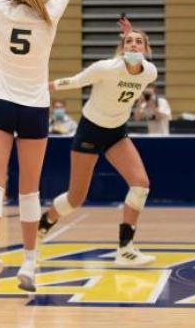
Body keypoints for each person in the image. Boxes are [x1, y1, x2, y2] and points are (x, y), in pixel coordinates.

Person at [0, 0, 85, 295]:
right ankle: (29, 265)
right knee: (29, 190)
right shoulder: (49, 16)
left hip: (1, 103)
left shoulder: (2, 10)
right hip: (36, 109)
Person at [38, 20, 157, 266]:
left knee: (141, 185)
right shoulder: (106, 68)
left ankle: (125, 249)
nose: (134, 44)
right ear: (122, 48)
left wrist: (128, 34)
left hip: (116, 132)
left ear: (145, 49)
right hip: (90, 130)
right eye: (129, 41)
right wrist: (44, 88)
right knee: (75, 199)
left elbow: (132, 63)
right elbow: (76, 81)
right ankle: (45, 220)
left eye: (139, 41)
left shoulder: (150, 72)